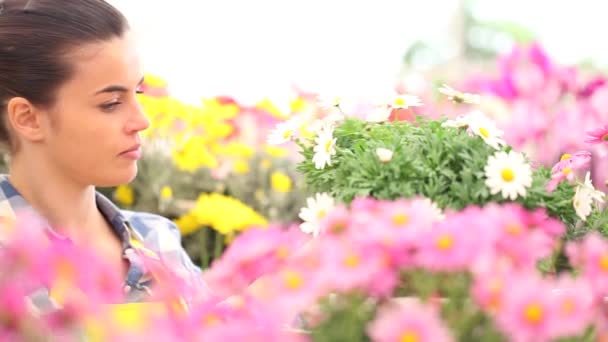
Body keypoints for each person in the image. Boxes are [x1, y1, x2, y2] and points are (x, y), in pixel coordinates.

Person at [0, 0, 208, 310]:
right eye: (111, 103)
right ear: (28, 118)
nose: (142, 121)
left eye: (136, 93)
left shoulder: (158, 241)